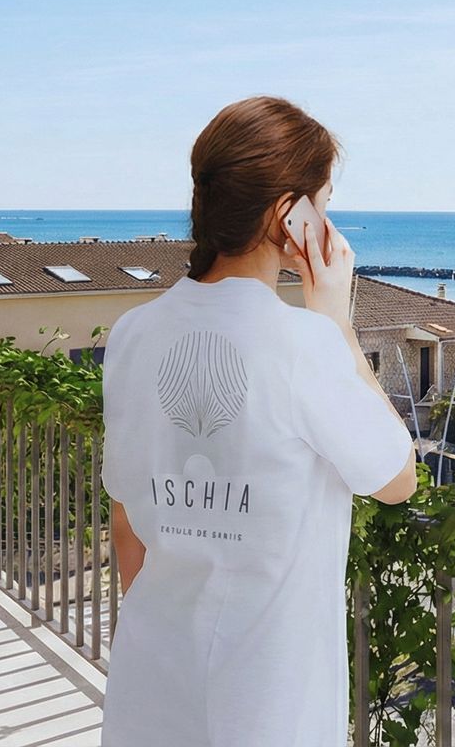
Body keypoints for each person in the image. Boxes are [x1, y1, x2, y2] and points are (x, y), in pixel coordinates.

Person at [100, 96, 418, 747]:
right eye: (323, 203)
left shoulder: (134, 333)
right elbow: (397, 478)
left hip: (150, 683)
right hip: (269, 703)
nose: (327, 222)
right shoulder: (304, 343)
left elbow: (128, 515)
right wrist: (335, 313)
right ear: (287, 214)